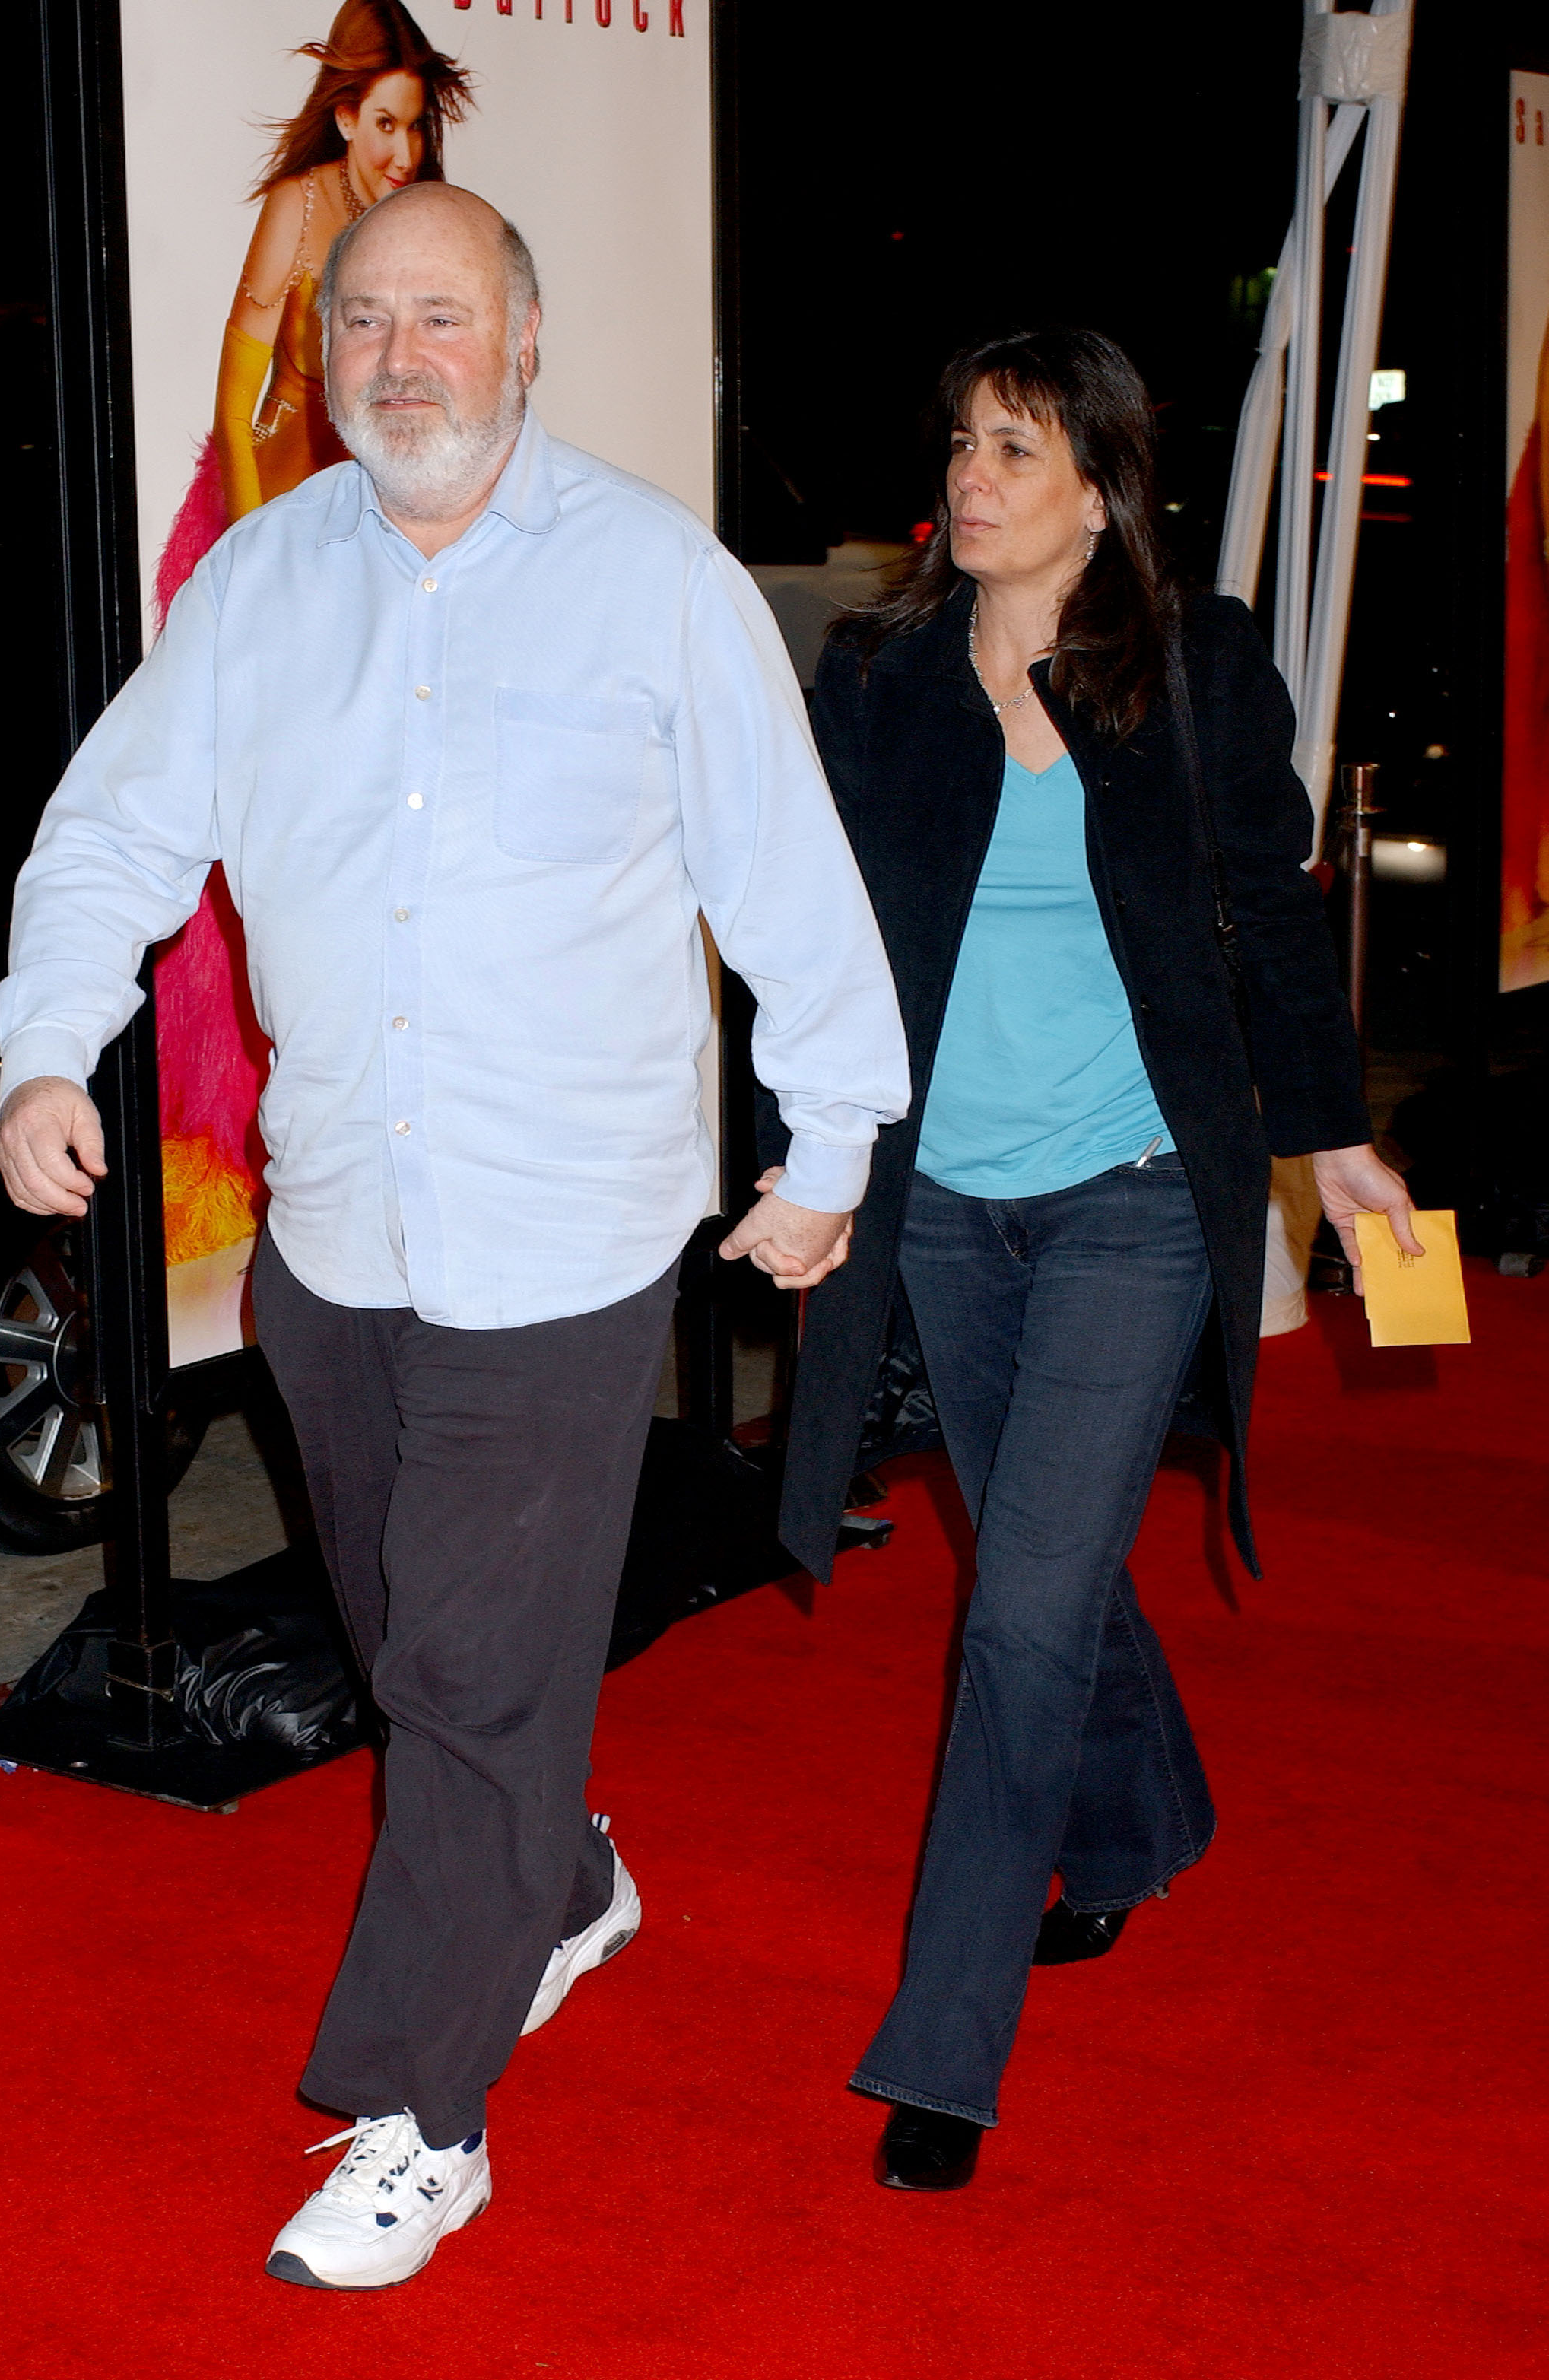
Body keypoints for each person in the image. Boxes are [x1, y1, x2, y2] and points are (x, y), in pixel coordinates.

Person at [0, 183, 908, 2288]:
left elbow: (787, 875)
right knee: (415, 1646)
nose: (401, 357)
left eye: (444, 318)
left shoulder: (656, 583)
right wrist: (51, 1045)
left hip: (568, 1233)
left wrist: (832, 1139)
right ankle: (563, 1871)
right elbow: (120, 826)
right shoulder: (262, 588)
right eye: (365, 322)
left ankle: (427, 2111)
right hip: (340, 1228)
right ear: (323, 361)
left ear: (526, 341)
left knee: (477, 1674)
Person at [770, 326, 1420, 2194]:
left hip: (1134, 1190)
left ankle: (945, 2049)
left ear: (1104, 485)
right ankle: (1143, 1825)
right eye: (964, 442)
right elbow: (817, 938)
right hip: (948, 1203)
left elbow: (1274, 919)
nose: (975, 479)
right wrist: (796, 1155)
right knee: (1041, 1558)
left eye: (1021, 452)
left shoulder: (1195, 667)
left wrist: (1338, 1130)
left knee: (1023, 1603)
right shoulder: (883, 674)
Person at [151, 2, 472, 1309]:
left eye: (416, 124)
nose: (402, 148)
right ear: (344, 113)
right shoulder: (297, 207)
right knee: (246, 859)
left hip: (374, 549)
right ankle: (226, 1160)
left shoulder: (409, 229)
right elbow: (239, 400)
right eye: (384, 120)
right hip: (264, 529)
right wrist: (255, 558)